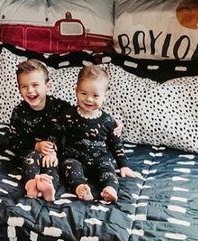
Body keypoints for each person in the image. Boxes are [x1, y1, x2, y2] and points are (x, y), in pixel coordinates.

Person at [61, 64, 141, 203]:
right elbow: (56, 134)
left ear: (105, 95)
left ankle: (109, 189)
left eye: (95, 95)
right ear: (76, 91)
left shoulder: (108, 121)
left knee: (108, 171)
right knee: (69, 167)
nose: (89, 99)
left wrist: (123, 165)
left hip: (100, 159)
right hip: (74, 158)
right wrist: (50, 149)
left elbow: (116, 144)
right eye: (83, 93)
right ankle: (81, 188)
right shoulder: (67, 115)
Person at [8, 59, 67, 202]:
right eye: (24, 86)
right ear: (19, 89)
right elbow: (14, 140)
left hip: (52, 153)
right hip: (29, 151)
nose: (30, 91)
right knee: (31, 158)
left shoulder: (60, 108)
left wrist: (53, 149)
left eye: (35, 85)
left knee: (51, 164)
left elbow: (81, 117)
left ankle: (49, 187)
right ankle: (31, 184)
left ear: (47, 86)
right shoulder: (19, 112)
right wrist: (35, 146)